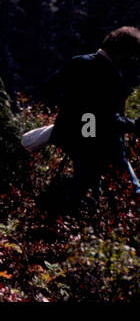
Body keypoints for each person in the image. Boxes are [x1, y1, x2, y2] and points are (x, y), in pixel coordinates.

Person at [44, 26, 140, 207]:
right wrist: (134, 125)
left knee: (84, 187)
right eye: (132, 55)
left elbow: (49, 89)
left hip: (73, 136)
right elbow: (109, 119)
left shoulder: (78, 62)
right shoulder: (110, 75)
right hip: (99, 143)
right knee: (126, 191)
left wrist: (73, 111)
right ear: (123, 53)